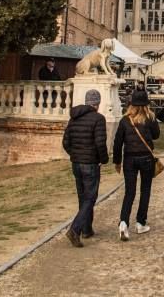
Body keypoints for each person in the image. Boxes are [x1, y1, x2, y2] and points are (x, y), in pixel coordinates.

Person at [62, 89, 109, 247]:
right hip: (90, 163)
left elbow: (66, 142)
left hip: (76, 162)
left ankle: (87, 229)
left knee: (83, 197)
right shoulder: (98, 119)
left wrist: (74, 154)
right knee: (90, 197)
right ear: (97, 103)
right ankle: (75, 229)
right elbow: (100, 143)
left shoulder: (74, 118)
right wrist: (103, 159)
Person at [113, 89, 160, 241]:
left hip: (129, 158)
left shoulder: (125, 120)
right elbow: (156, 135)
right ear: (146, 104)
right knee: (145, 190)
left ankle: (123, 222)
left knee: (129, 192)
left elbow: (117, 142)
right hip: (146, 157)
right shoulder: (150, 118)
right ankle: (140, 222)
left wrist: (117, 161)